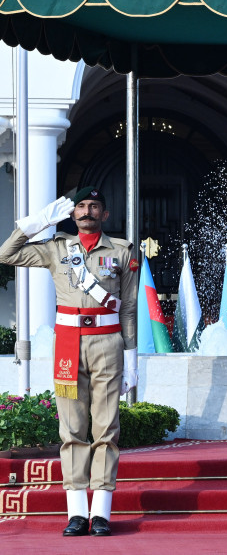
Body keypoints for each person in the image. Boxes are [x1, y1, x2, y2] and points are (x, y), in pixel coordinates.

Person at [0, 187, 138, 537]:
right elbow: (6, 255)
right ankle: (77, 513)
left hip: (107, 343)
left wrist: (132, 357)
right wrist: (35, 224)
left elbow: (131, 308)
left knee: (106, 429)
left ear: (105, 214)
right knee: (72, 429)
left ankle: (101, 513)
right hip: (67, 344)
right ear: (71, 214)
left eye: (94, 206)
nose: (87, 211)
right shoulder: (55, 248)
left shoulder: (122, 251)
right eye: (80, 206)